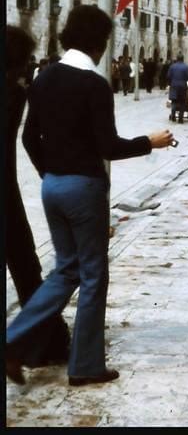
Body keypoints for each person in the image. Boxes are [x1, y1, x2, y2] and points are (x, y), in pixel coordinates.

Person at [6, 5, 175, 387]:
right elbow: (109, 147)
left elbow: (30, 138)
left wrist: (50, 173)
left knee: (65, 269)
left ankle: (12, 341)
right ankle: (85, 365)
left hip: (52, 187)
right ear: (99, 42)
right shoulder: (95, 84)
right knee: (94, 275)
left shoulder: (43, 79)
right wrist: (150, 142)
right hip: (84, 189)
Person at [6, 25, 71, 368]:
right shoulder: (15, 95)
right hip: (7, 196)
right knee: (26, 267)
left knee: (26, 265)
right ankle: (45, 344)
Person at [167, 53, 188, 123]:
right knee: (182, 102)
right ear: (183, 59)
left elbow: (168, 76)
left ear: (177, 59)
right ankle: (180, 118)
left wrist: (170, 84)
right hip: (182, 86)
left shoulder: (172, 66)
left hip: (174, 86)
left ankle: (173, 116)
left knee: (174, 101)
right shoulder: (186, 67)